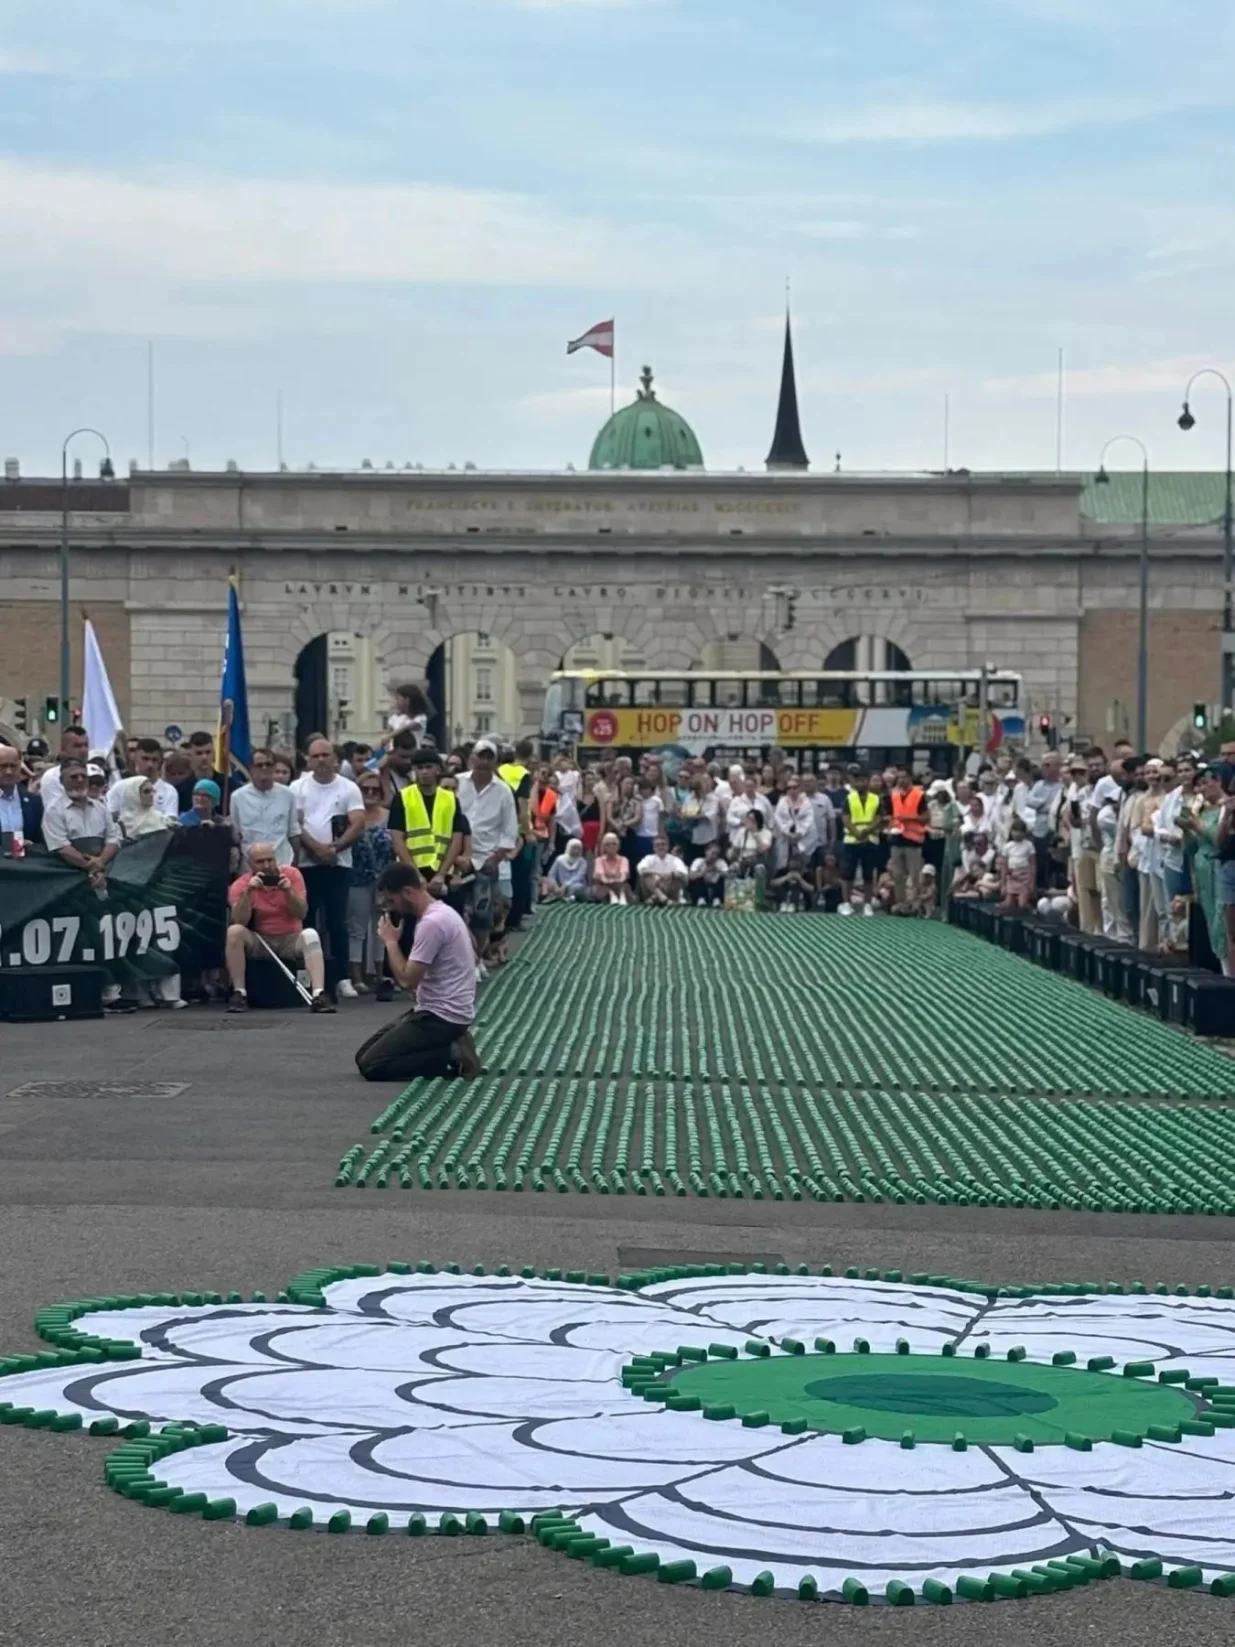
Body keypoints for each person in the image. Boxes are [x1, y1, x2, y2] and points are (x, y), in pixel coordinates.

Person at [355, 863, 481, 1080]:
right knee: (363, 1056)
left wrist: (391, 942)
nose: (391, 908)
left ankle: (452, 1054)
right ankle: (451, 1043)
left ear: (408, 893)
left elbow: (406, 981)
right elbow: (474, 951)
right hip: (440, 1009)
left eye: (392, 901)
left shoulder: (431, 923)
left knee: (372, 1065)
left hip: (440, 1017)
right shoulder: (445, 912)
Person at [292, 736, 365, 1002]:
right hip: (306, 865)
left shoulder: (348, 788)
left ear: (335, 759)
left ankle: (343, 978)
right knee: (306, 924)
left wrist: (334, 848)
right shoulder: (297, 787)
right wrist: (316, 849)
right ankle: (306, 978)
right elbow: (295, 825)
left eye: (326, 755)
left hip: (338, 864)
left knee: (337, 922)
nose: (321, 760)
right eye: (316, 756)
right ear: (309, 760)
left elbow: (357, 822)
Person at [225, 841, 332, 1012]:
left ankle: (319, 994)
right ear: (250, 863)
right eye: (260, 862)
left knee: (311, 934)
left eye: (270, 860)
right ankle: (239, 993)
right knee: (234, 932)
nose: (267, 865)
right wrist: (249, 893)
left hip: (290, 938)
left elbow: (301, 914)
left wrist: (288, 892)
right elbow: (239, 920)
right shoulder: (241, 885)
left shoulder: (292, 875)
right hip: (261, 940)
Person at [456, 739, 519, 968]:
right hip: (457, 857)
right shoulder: (457, 783)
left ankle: (478, 957)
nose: (483, 762)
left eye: (488, 757)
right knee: (458, 912)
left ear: (495, 762)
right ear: (472, 758)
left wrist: (496, 858)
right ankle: (465, 958)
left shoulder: (503, 791)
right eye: (479, 756)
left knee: (483, 916)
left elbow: (509, 829)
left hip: (486, 860)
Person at [389, 747, 464, 891]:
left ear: (437, 769)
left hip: (442, 872)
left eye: (429, 767)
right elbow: (397, 841)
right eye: (419, 768)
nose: (424, 772)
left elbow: (456, 839)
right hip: (410, 872)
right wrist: (416, 875)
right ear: (414, 770)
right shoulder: (402, 798)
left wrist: (441, 874)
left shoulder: (451, 799)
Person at [346, 769, 394, 994]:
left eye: (376, 789)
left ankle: (379, 973)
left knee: (381, 927)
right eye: (365, 789)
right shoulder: (351, 816)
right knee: (357, 928)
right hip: (357, 878)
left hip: (384, 879)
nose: (371, 793)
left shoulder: (388, 815)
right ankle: (356, 975)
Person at [41, 758, 121, 885]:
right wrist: (93, 867)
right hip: (68, 879)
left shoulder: (101, 807)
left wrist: (100, 862)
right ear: (62, 781)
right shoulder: (53, 811)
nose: (80, 780)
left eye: (83, 776)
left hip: (104, 873)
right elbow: (61, 847)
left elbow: (113, 838)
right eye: (74, 777)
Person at [229, 748, 300, 868]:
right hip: (250, 866)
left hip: (282, 863)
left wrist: (295, 864)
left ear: (274, 767)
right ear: (251, 768)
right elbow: (236, 834)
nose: (264, 768)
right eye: (259, 765)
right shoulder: (237, 797)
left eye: (268, 764)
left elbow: (293, 832)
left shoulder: (288, 794)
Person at [108, 737, 180, 820]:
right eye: (145, 759)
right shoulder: (119, 787)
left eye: (154, 760)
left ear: (160, 761)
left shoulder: (169, 791)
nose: (150, 764)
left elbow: (170, 821)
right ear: (135, 759)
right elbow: (110, 818)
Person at [839, 769, 880, 912]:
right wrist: (856, 832)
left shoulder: (875, 799)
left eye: (864, 780)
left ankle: (867, 904)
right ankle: (846, 903)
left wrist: (867, 831)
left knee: (868, 874)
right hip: (851, 839)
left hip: (870, 839)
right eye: (859, 781)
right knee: (847, 873)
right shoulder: (849, 798)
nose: (862, 783)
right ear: (854, 783)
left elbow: (879, 818)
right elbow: (845, 818)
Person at [888, 768, 927, 905]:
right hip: (897, 839)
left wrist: (909, 818)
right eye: (898, 778)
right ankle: (901, 904)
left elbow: (926, 817)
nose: (901, 780)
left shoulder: (919, 794)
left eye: (903, 777)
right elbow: (890, 815)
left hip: (913, 840)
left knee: (915, 875)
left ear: (910, 777)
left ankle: (915, 904)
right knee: (898, 875)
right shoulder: (894, 794)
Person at [0, 742, 42, 854]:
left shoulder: (34, 802)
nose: (8, 772)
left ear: (20, 767)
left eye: (13, 766)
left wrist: (31, 846)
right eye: (3, 766)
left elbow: (42, 839)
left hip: (24, 867)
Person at [34, 724, 90, 806]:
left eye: (86, 745)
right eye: (77, 746)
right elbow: (58, 812)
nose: (84, 750)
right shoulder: (52, 777)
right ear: (63, 750)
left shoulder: (95, 771)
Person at [112, 775, 177, 842]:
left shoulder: (162, 819)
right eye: (146, 791)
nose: (152, 795)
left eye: (153, 791)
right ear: (133, 794)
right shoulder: (121, 826)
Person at [174, 731, 228, 811]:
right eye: (199, 753)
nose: (204, 757)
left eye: (208, 752)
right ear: (191, 756)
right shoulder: (180, 790)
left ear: (214, 754)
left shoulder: (229, 785)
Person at [998, 816, 1036, 911]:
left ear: (1024, 833)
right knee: (1008, 905)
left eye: (1020, 831)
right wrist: (1003, 883)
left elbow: (1033, 864)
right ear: (1011, 832)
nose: (1017, 834)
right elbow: (1004, 866)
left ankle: (1032, 911)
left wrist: (1032, 882)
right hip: (1012, 877)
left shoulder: (1029, 845)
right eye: (1015, 831)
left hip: (1024, 877)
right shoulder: (1007, 846)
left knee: (1022, 904)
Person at [637, 832, 687, 904]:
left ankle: (656, 897)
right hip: (651, 890)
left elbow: (683, 873)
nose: (660, 847)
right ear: (654, 848)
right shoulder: (648, 858)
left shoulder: (675, 859)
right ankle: (663, 898)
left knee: (677, 877)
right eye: (657, 845)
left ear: (668, 846)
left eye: (663, 844)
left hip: (669, 891)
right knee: (646, 876)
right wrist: (658, 873)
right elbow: (641, 869)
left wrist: (670, 874)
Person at [770, 847, 813, 912]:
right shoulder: (783, 871)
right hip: (783, 899)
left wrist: (800, 880)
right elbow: (772, 883)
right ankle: (783, 904)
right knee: (782, 885)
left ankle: (793, 904)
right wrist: (786, 878)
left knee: (796, 886)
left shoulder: (806, 874)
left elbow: (811, 889)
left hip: (801, 901)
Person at [592, 833, 631, 904]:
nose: (611, 846)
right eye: (608, 844)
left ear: (618, 846)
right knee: (600, 888)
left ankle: (621, 897)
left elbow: (623, 876)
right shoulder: (599, 860)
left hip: (619, 885)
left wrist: (613, 880)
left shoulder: (624, 859)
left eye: (614, 844)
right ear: (604, 847)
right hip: (604, 886)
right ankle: (611, 895)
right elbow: (601, 876)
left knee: (624, 886)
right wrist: (611, 881)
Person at [688, 842, 728, 907]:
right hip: (702, 884)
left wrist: (717, 870)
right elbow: (691, 876)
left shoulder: (721, 862)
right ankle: (701, 899)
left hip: (715, 884)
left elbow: (727, 875)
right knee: (697, 879)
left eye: (717, 854)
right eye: (713, 853)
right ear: (706, 851)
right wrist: (702, 872)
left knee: (722, 879)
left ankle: (717, 899)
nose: (714, 856)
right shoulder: (698, 861)